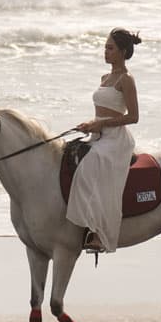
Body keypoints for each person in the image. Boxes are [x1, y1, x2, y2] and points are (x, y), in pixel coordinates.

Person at [65, 28, 142, 254]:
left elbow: (133, 117)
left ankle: (97, 232)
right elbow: (102, 112)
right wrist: (90, 123)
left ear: (123, 52)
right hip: (98, 134)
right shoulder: (105, 78)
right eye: (105, 48)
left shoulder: (126, 80)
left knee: (90, 165)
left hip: (116, 139)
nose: (105, 52)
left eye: (110, 48)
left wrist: (101, 124)